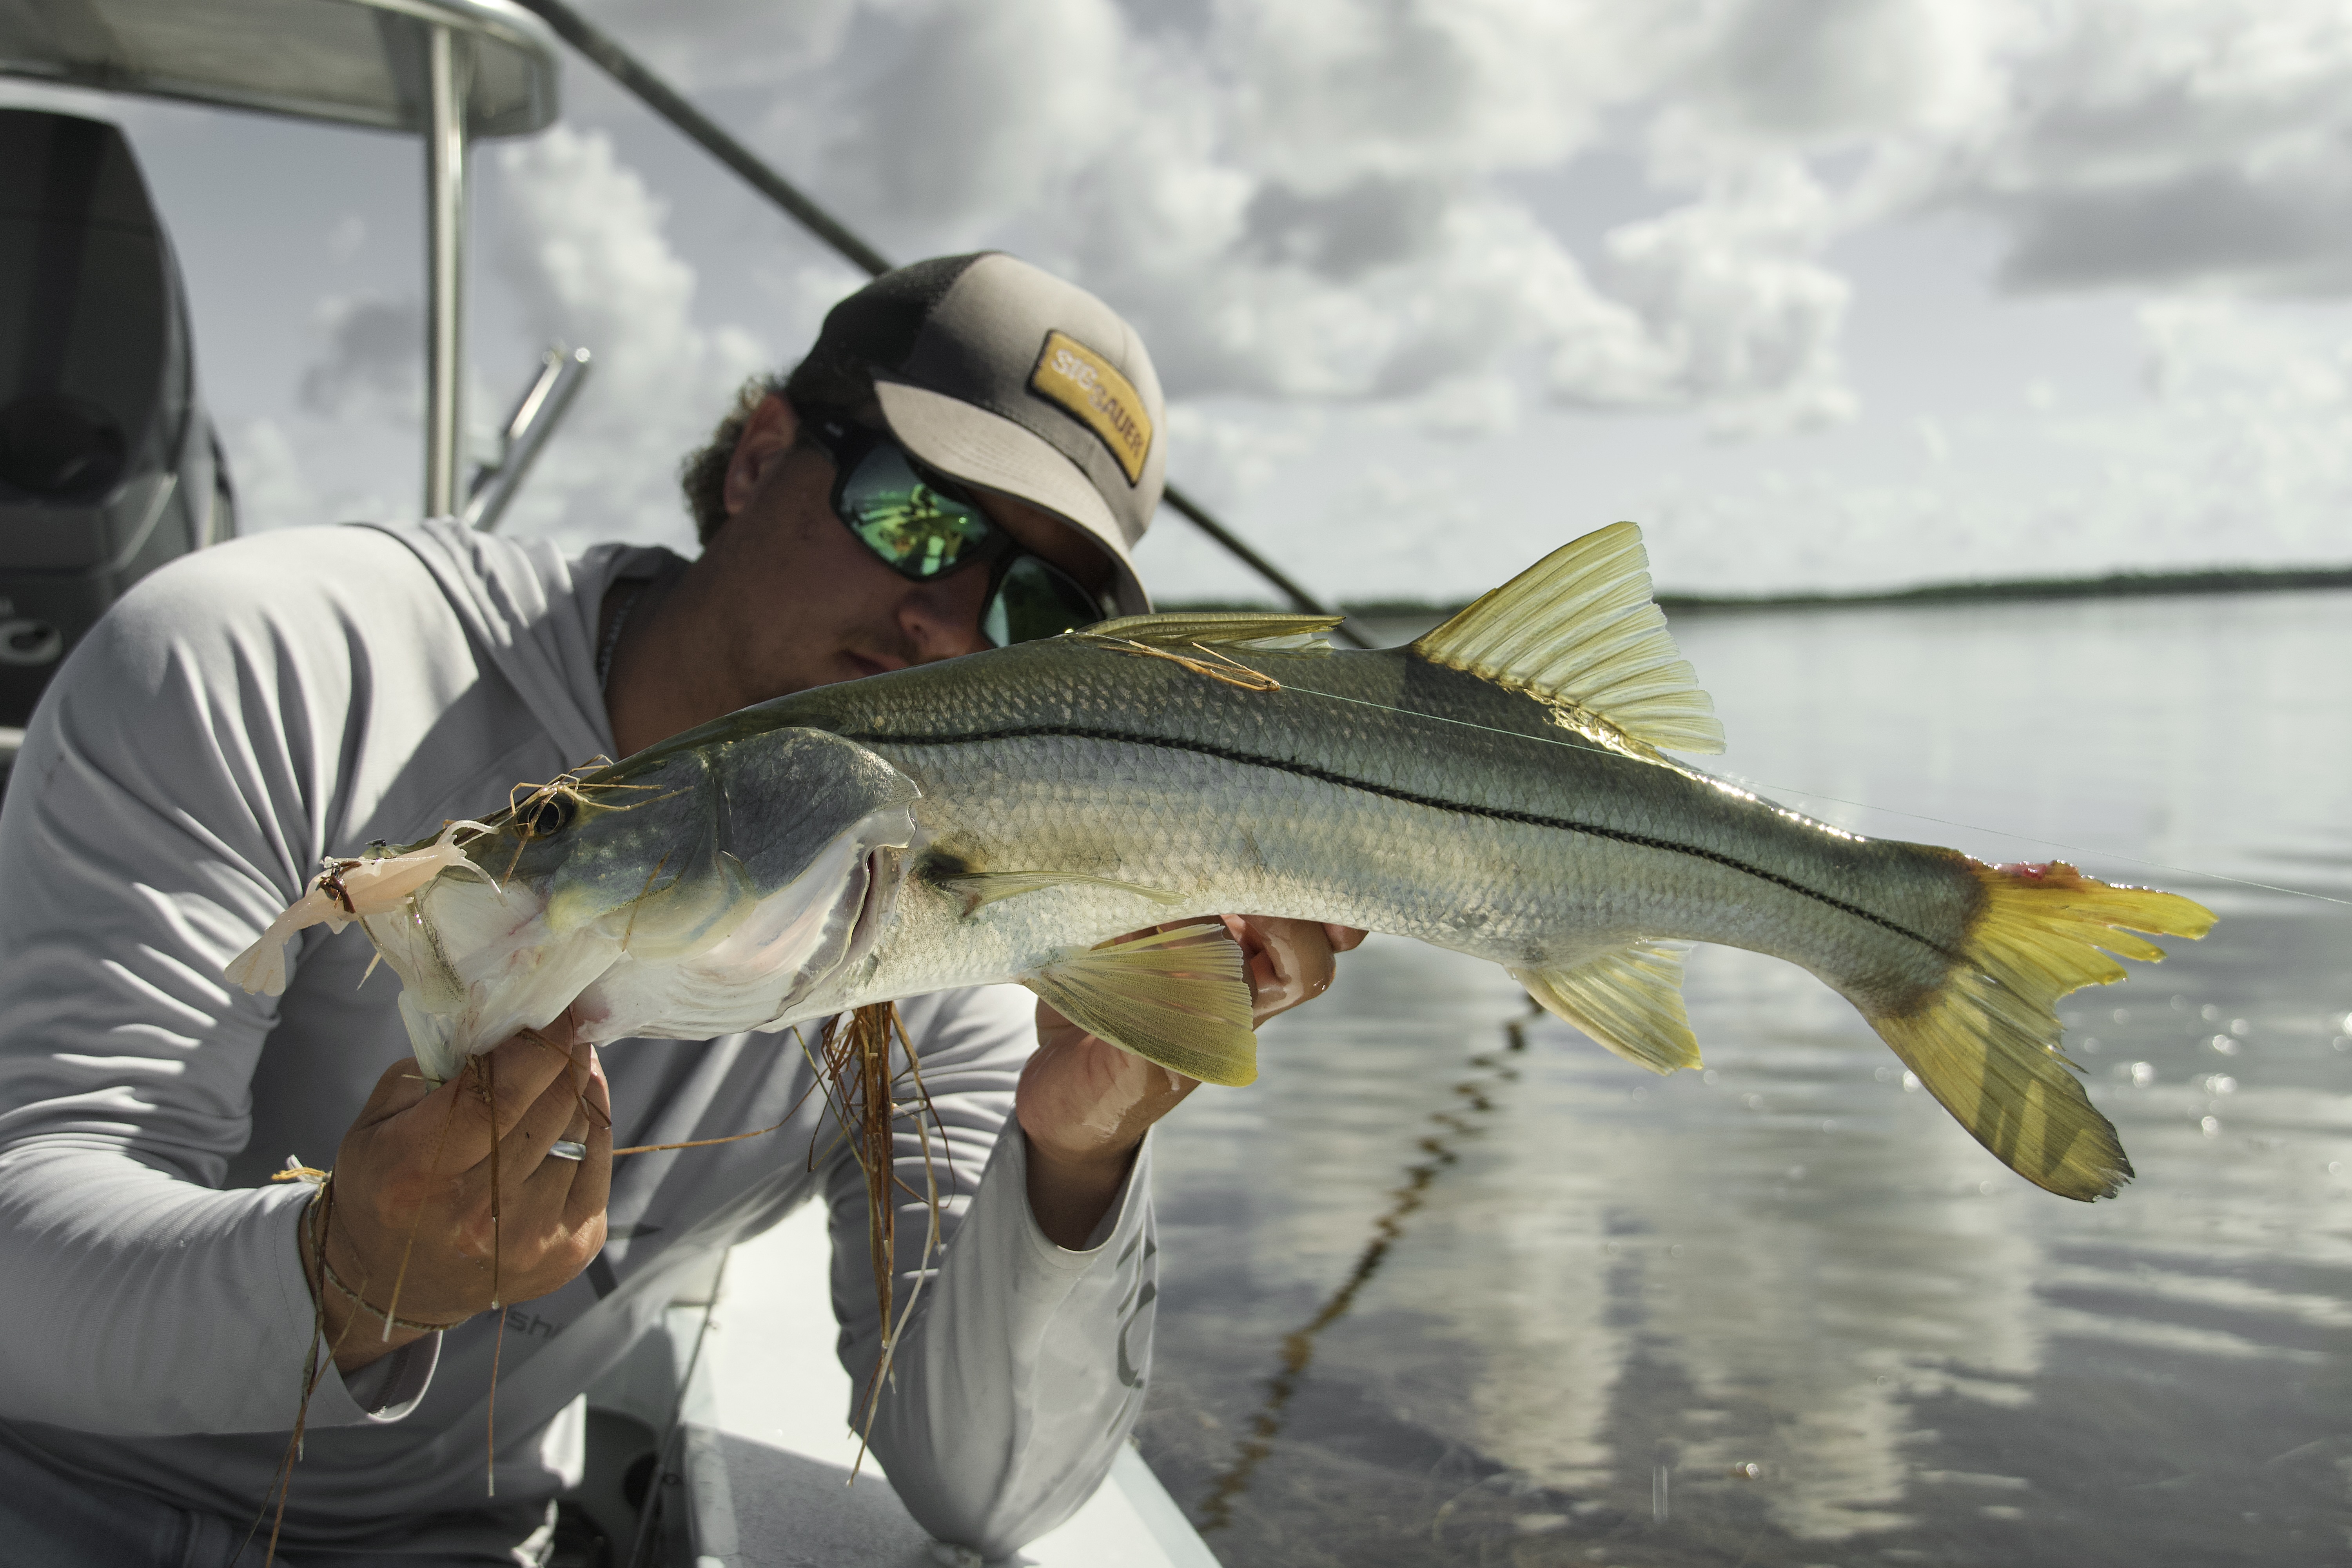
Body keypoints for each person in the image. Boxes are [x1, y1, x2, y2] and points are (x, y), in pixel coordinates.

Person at [0, 252, 1362, 1564]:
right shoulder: (273, 661)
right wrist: (341, 1269)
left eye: (1035, 605)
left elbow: (986, 1494)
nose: (948, 623)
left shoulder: (942, 948)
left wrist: (1080, 1152)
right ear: (763, 455)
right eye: (917, 513)